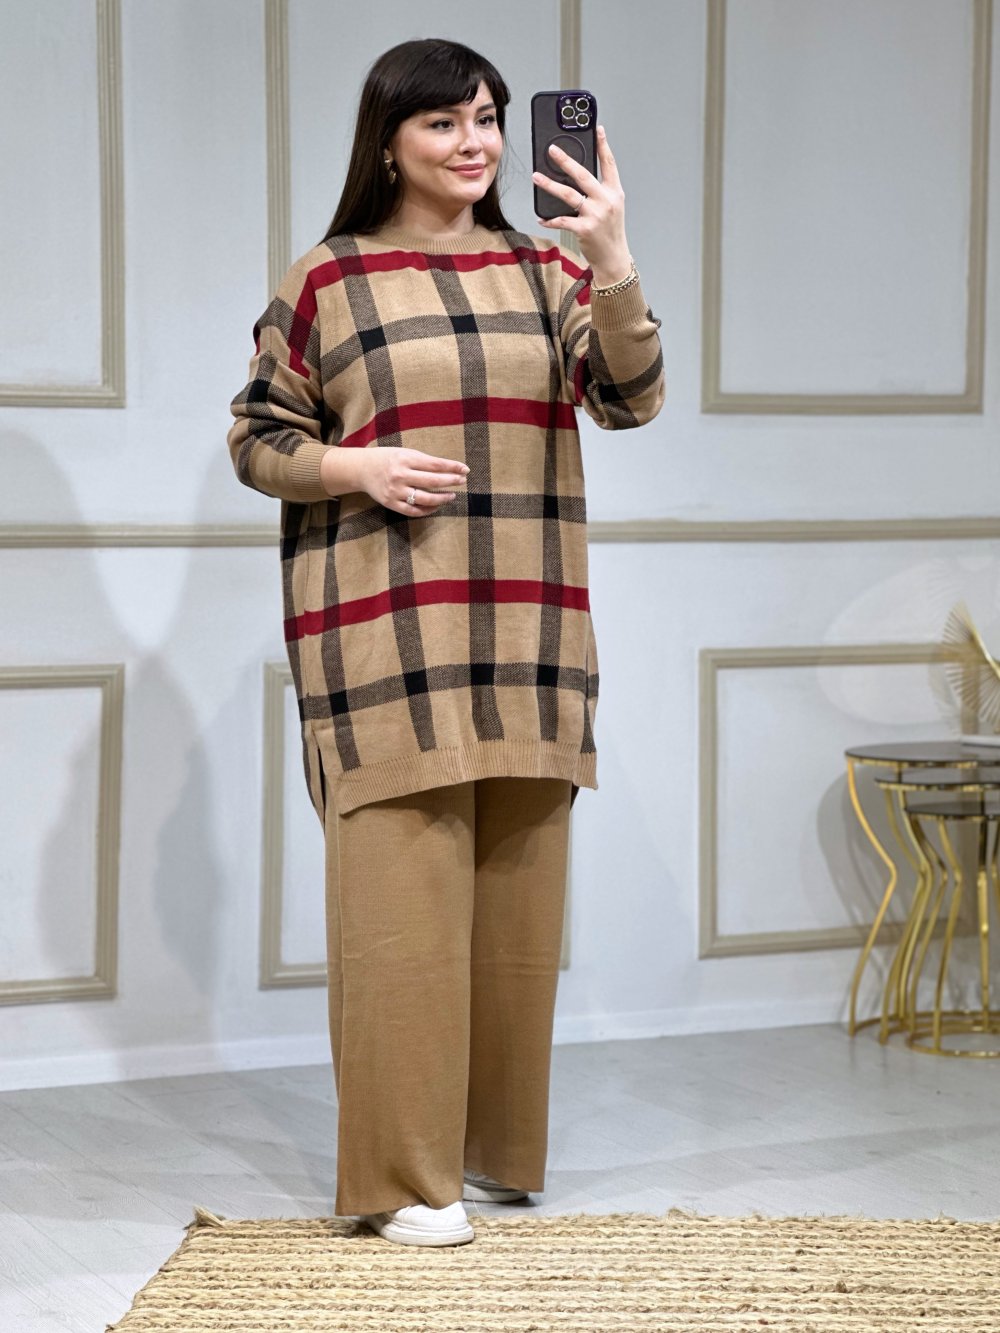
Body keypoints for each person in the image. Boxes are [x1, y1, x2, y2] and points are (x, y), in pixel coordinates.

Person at [227, 37, 664, 1248]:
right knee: (399, 931)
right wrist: (354, 467)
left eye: (487, 119)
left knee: (515, 926)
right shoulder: (331, 278)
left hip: (529, 635)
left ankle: (490, 1157)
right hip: (382, 641)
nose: (474, 143)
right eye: (443, 123)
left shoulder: (545, 269)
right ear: (387, 143)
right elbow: (258, 435)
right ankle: (405, 1182)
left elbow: (627, 397)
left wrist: (612, 257)